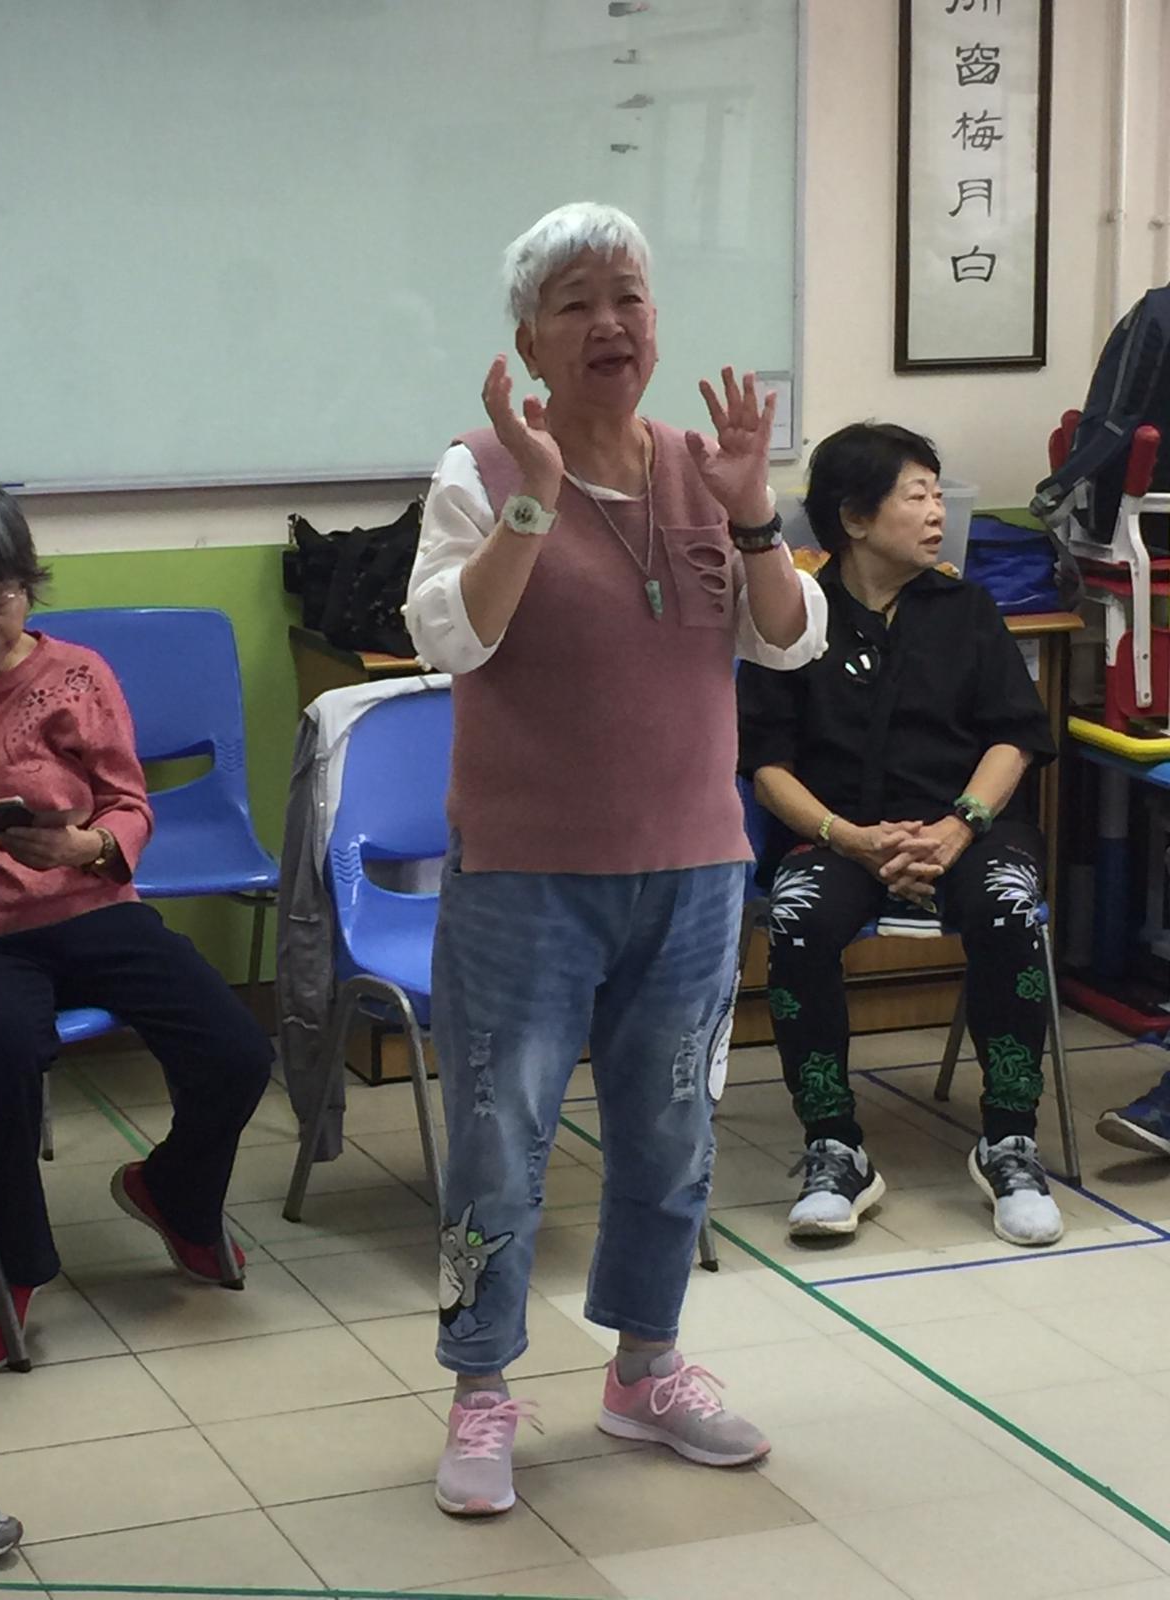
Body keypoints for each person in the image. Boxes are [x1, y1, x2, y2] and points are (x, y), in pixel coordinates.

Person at [406, 201, 827, 1516]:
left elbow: (789, 638)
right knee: (497, 1142)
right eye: (576, 301)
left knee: (673, 1129)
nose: (610, 322)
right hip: (524, 875)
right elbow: (448, 638)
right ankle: (480, 1387)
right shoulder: (481, 468)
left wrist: (755, 515)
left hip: (694, 870)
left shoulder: (709, 465)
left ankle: (647, 1368)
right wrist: (534, 500)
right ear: (530, 338)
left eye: (629, 296)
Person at [0, 480, 275, 1373]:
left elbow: (129, 803)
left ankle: (173, 1193)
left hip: (92, 906)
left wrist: (88, 845)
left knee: (235, 1050)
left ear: (28, 586)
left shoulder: (77, 675)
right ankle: (15, 1268)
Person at [737, 423, 1064, 1250]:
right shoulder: (792, 618)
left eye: (937, 495)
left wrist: (960, 826)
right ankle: (834, 1147)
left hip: (971, 830)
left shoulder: (968, 610)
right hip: (838, 834)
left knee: (1006, 904)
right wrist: (848, 837)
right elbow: (765, 766)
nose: (935, 513)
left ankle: (1010, 1140)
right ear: (854, 518)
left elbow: (1015, 737)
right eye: (916, 496)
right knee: (798, 918)